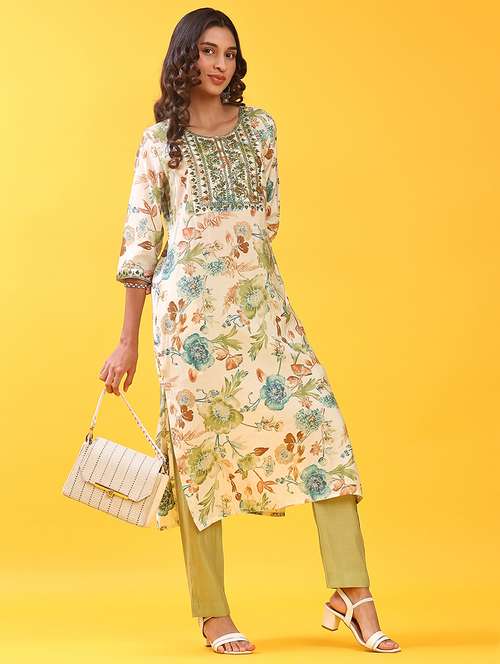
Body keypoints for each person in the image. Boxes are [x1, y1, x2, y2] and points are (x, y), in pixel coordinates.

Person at [99, 7, 401, 656]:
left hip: (262, 314)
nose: (219, 64)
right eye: (208, 51)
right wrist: (127, 342)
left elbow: (267, 221)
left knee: (323, 432)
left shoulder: (260, 128)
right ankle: (212, 612)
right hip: (187, 324)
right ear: (185, 56)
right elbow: (140, 246)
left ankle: (352, 593)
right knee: (198, 459)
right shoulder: (159, 143)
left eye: (229, 54)